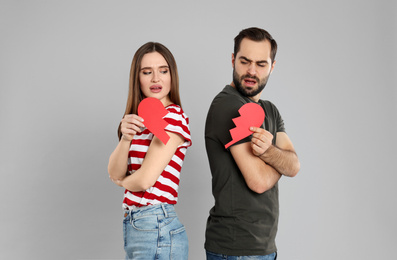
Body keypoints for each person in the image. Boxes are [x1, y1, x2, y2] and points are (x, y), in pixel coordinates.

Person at [204, 27, 300, 259]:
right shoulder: (228, 107)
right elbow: (258, 181)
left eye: (261, 64)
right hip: (235, 248)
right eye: (245, 61)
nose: (251, 71)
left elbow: (294, 165)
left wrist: (270, 153)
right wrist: (274, 155)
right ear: (233, 59)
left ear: (272, 66)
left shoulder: (270, 110)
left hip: (264, 247)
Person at [108, 42, 191, 260]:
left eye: (163, 71)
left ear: (172, 75)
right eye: (147, 72)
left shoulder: (173, 117)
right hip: (138, 225)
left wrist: (121, 182)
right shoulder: (138, 120)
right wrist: (126, 137)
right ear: (137, 78)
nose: (156, 79)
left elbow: (144, 181)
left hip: (156, 223)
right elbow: (114, 171)